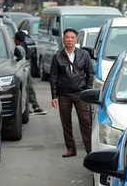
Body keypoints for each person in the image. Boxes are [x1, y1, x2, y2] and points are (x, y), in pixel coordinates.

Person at [49, 28, 94, 157]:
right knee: (66, 122)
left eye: (72, 37)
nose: (70, 40)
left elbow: (90, 73)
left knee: (85, 121)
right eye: (67, 37)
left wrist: (87, 91)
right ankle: (71, 148)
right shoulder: (58, 56)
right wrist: (54, 96)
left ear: (76, 39)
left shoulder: (84, 54)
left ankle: (90, 150)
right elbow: (53, 77)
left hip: (80, 93)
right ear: (63, 39)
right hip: (64, 94)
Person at [14, 30, 46, 115]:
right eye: (18, 42)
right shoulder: (10, 45)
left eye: (21, 42)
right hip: (14, 71)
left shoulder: (23, 44)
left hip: (24, 69)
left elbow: (28, 55)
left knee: (29, 88)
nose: (20, 44)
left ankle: (35, 106)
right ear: (15, 39)